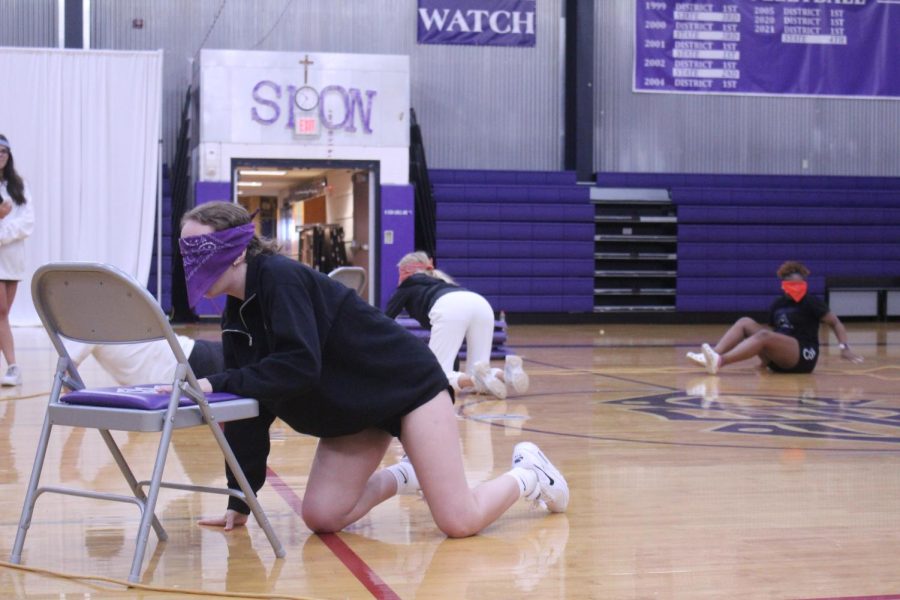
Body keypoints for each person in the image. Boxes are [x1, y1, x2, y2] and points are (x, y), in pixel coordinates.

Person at [177, 201, 569, 536]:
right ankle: (406, 474)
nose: (191, 261)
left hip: (408, 388)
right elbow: (252, 405)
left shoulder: (281, 278)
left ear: (239, 249)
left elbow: (298, 366)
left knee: (458, 521)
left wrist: (217, 381)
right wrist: (241, 500)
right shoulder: (236, 312)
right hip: (356, 410)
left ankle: (530, 475)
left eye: (200, 248)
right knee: (321, 516)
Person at [384, 251, 529, 400]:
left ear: (405, 271)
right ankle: (508, 374)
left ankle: (476, 380)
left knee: (436, 374)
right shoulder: (442, 282)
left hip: (450, 307)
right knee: (478, 366)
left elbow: (385, 319)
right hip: (480, 303)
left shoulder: (407, 285)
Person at [687, 261, 864, 375]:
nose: (797, 287)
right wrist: (764, 361)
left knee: (764, 335)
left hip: (803, 356)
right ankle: (712, 355)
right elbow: (773, 333)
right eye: (793, 284)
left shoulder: (812, 302)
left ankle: (720, 361)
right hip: (779, 359)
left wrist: (844, 347)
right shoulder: (778, 304)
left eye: (800, 284)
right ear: (784, 286)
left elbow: (835, 323)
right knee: (745, 322)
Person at [0, 134, 35, 386]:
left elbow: (26, 222)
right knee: (0, 313)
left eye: (4, 151)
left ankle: (12, 367)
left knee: (4, 314)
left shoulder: (18, 185)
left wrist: (2, 233)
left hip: (13, 260)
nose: (0, 155)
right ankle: (13, 365)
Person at [65, 336, 225, 385]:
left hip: (190, 364)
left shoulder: (86, 322)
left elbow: (67, 371)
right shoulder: (105, 310)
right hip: (188, 362)